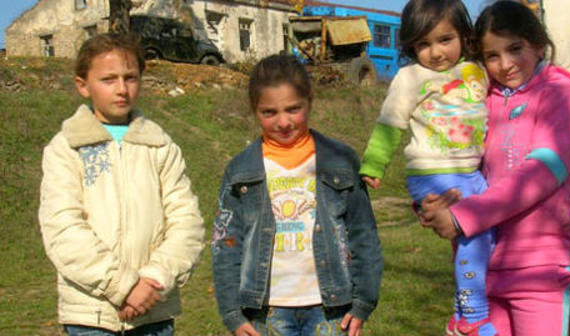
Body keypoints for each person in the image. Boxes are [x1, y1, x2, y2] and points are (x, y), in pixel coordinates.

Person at [419, 2, 570, 336]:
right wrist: (432, 204)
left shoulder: (565, 98)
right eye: (492, 56)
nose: (505, 65)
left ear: (539, 44)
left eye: (515, 49)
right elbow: (454, 163)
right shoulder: (483, 100)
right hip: (482, 268)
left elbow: (539, 176)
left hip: (539, 271)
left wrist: (463, 217)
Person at [38, 33, 205, 335]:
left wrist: (154, 280)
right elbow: (62, 228)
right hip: (91, 316)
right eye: (108, 79)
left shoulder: (160, 146)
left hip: (153, 312)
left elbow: (187, 222)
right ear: (83, 85)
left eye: (130, 78)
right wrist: (124, 286)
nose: (122, 89)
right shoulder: (66, 148)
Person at [211, 54, 383, 336]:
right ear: (255, 109)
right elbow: (225, 244)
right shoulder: (240, 170)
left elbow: (363, 234)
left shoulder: (341, 161)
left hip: (331, 308)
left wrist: (363, 301)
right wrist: (232, 313)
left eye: (293, 109)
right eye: (269, 112)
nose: (283, 122)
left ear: (310, 100)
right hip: (265, 311)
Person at [359, 0, 495, 335]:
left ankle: (460, 315)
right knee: (473, 236)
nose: (435, 53)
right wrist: (374, 164)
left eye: (444, 40)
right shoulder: (410, 77)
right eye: (423, 44)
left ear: (463, 36)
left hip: (472, 173)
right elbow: (391, 123)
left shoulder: (476, 70)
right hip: (432, 171)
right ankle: (475, 315)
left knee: (489, 238)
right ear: (411, 47)